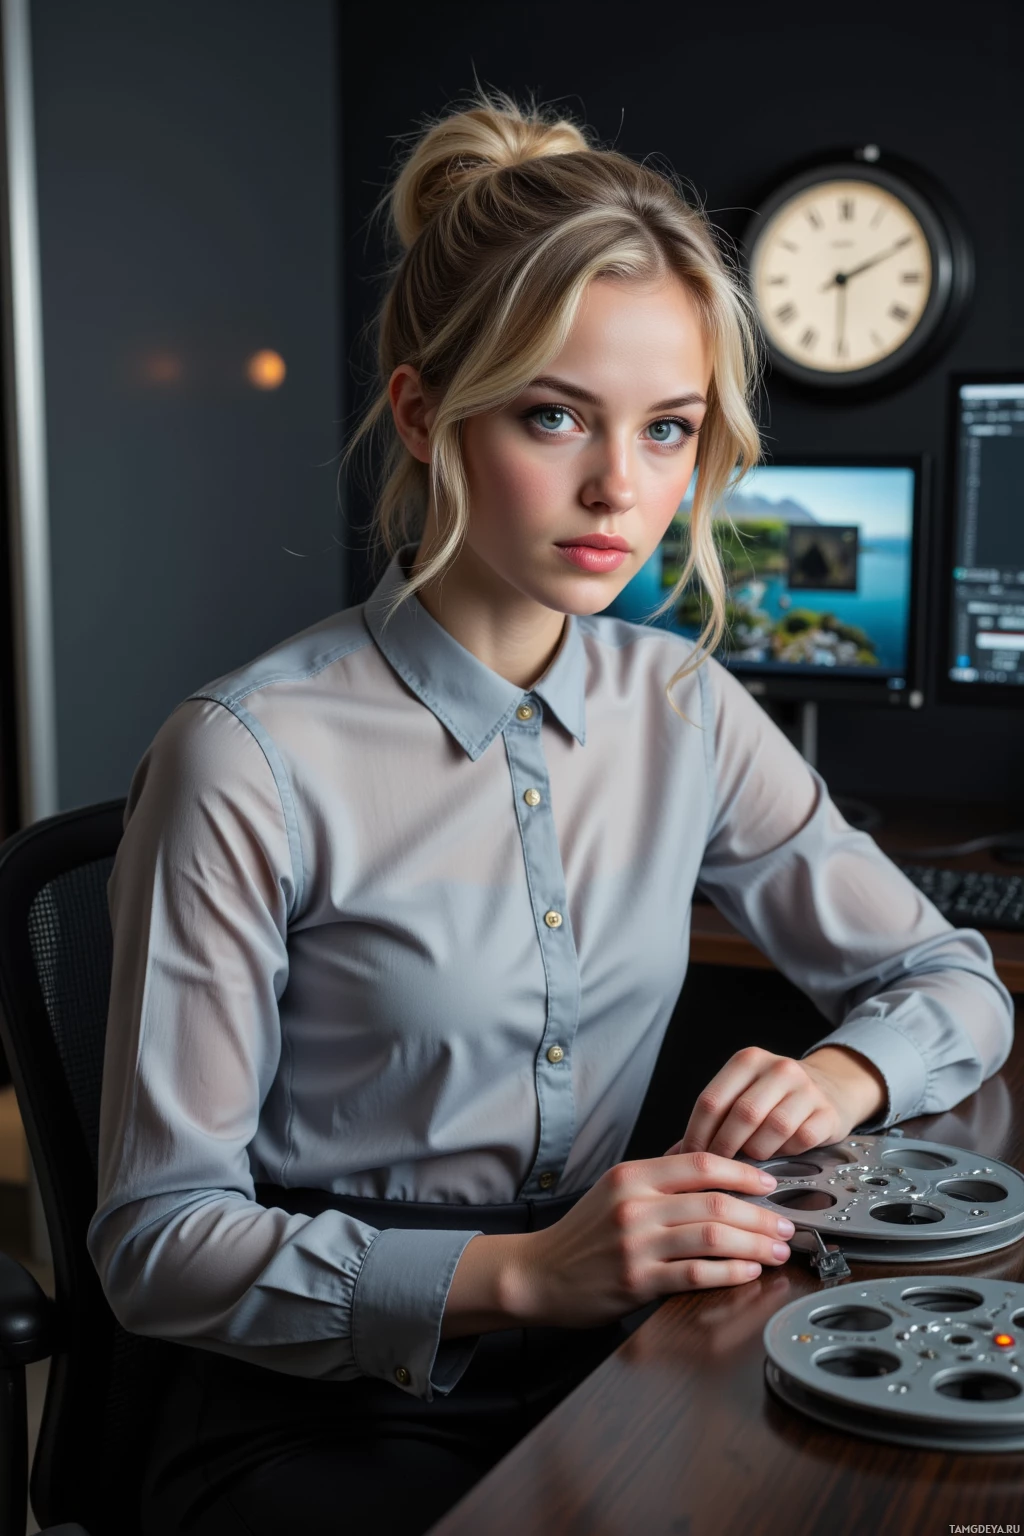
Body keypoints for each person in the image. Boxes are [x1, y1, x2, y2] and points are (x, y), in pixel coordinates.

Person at [87, 88, 1013, 1535]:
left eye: (668, 431)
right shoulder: (245, 758)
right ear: (423, 414)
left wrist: (846, 1079)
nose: (620, 490)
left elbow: (949, 978)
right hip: (317, 1396)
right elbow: (158, 1246)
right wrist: (524, 1274)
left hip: (611, 1344)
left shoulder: (684, 707)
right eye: (555, 415)